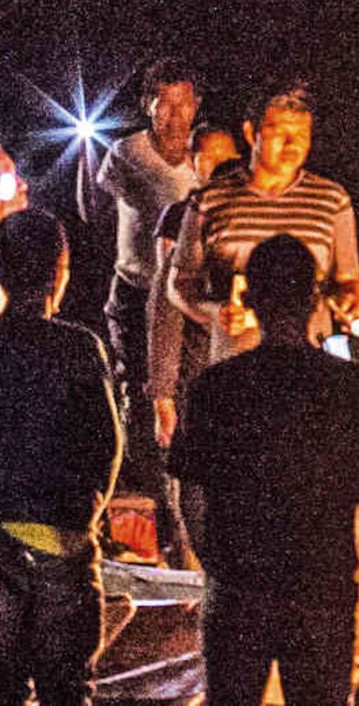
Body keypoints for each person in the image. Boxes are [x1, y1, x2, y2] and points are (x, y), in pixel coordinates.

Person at [168, 234, 359, 705]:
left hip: (239, 592)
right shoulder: (356, 389)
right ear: (314, 300)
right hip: (321, 592)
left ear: (250, 299)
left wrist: (218, 567)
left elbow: (190, 492)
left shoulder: (216, 387)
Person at [0, 210, 122, 706]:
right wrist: (84, 518)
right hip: (62, 548)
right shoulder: (79, 348)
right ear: (60, 273)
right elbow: (106, 447)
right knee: (67, 691)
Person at [169, 78, 359, 364]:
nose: (291, 144)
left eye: (302, 135)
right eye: (279, 132)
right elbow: (179, 283)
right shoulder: (209, 201)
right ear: (252, 133)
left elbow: (348, 279)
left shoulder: (332, 200)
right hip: (237, 365)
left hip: (312, 362)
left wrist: (350, 301)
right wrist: (216, 312)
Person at [94, 57, 201, 558]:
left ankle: (186, 520)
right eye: (165, 104)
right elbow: (100, 208)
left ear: (196, 106)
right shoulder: (127, 154)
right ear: (148, 106)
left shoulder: (205, 158)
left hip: (184, 300)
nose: (175, 115)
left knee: (184, 399)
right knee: (140, 398)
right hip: (136, 290)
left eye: (184, 103)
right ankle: (152, 512)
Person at [147, 124, 240, 451]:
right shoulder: (183, 217)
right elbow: (166, 303)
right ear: (191, 160)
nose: (218, 165)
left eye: (225, 157)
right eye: (208, 157)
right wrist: (163, 395)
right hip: (199, 363)